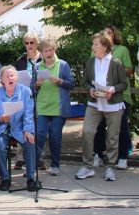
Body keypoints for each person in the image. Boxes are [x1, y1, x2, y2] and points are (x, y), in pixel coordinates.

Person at [75, 31, 128, 182]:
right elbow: (86, 81)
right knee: (87, 132)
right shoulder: (91, 62)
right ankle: (87, 166)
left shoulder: (116, 62)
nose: (93, 47)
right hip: (94, 103)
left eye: (96, 44)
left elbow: (123, 84)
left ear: (104, 46)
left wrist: (112, 89)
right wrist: (90, 89)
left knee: (112, 136)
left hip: (113, 104)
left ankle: (110, 167)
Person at [0, 65, 38, 191]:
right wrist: (0, 118)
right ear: (2, 80)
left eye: (12, 75)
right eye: (7, 76)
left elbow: (28, 113)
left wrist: (28, 130)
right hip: (1, 128)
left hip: (19, 128)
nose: (10, 78)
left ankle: (31, 178)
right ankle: (5, 178)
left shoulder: (25, 91)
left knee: (29, 142)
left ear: (16, 78)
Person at [93, 25, 134, 170]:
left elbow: (129, 70)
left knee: (121, 127)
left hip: (119, 96)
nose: (107, 35)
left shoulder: (122, 50)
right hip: (100, 96)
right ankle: (98, 154)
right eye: (104, 33)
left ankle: (122, 157)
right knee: (98, 127)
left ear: (114, 35)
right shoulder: (95, 51)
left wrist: (113, 69)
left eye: (109, 33)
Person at [35, 39, 75, 175]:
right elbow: (31, 89)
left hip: (58, 106)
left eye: (51, 50)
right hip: (42, 106)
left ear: (55, 50)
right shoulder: (37, 66)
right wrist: (37, 84)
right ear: (41, 52)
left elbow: (71, 84)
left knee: (55, 135)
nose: (48, 53)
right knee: (39, 134)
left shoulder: (62, 65)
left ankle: (55, 165)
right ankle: (34, 165)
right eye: (45, 50)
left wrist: (59, 81)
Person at [12, 32, 41, 170]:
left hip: (41, 96)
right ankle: (20, 157)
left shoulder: (43, 58)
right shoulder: (21, 60)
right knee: (21, 123)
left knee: (39, 127)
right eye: (26, 43)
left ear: (36, 43)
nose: (29, 45)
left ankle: (39, 157)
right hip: (24, 96)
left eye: (32, 42)